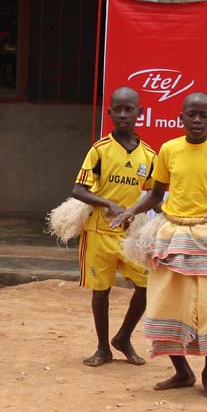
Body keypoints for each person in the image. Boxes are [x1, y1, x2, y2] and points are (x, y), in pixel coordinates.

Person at [112, 92, 207, 399]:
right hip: (171, 236)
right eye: (191, 115)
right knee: (167, 306)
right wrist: (131, 211)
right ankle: (182, 372)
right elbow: (156, 195)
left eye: (204, 115)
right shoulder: (169, 150)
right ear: (180, 117)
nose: (197, 121)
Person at [70, 86, 155, 367]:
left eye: (128, 109)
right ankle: (102, 347)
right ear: (108, 114)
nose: (122, 115)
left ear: (139, 113)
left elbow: (155, 196)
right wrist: (107, 203)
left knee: (145, 287)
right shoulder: (100, 150)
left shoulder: (149, 155)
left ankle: (124, 338)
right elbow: (78, 190)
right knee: (101, 291)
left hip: (131, 236)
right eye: (117, 110)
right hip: (99, 232)